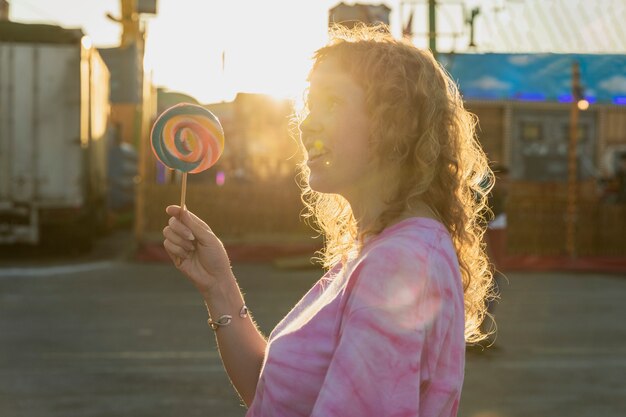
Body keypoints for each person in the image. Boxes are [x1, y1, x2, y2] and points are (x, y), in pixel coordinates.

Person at [162, 24, 494, 417]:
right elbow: (273, 396)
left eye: (332, 103)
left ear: (395, 124)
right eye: (310, 105)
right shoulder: (380, 249)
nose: (307, 124)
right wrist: (219, 286)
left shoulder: (398, 263)